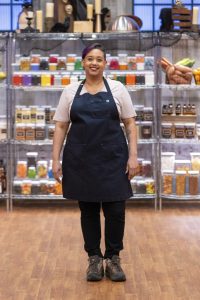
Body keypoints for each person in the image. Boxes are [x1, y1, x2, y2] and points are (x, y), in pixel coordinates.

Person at [52, 43, 138, 282]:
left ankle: (113, 259)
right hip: (81, 159)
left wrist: (133, 156)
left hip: (113, 158)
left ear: (105, 63)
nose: (94, 63)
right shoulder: (70, 91)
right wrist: (55, 159)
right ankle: (93, 259)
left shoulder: (118, 89)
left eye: (99, 59)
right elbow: (60, 125)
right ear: (83, 62)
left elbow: (131, 125)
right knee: (88, 211)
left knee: (116, 211)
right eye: (90, 58)